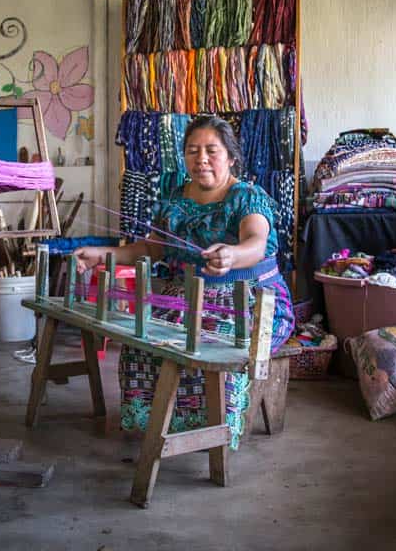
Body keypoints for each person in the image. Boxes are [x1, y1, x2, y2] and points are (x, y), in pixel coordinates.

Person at [74, 115, 294, 448]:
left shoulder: (247, 197)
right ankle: (159, 425)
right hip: (188, 299)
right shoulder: (175, 199)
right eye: (192, 150)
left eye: (211, 150)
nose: (201, 159)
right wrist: (102, 254)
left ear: (231, 157)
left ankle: (209, 431)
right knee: (144, 343)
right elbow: (150, 248)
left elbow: (256, 242)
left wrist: (232, 255)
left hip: (249, 301)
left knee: (213, 348)